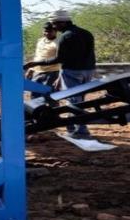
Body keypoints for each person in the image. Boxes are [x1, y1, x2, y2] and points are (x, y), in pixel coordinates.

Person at [34, 9, 97, 139]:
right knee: (80, 99)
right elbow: (90, 54)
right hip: (89, 70)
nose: (54, 27)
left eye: (54, 24)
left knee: (73, 101)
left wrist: (33, 64)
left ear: (61, 22)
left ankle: (81, 131)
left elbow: (59, 59)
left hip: (73, 71)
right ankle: (72, 128)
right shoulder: (86, 33)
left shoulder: (65, 36)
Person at [24, 22, 61, 89]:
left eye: (50, 31)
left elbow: (60, 59)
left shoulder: (58, 43)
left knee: (48, 95)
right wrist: (31, 69)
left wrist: (59, 77)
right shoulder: (40, 41)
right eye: (45, 31)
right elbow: (37, 56)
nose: (47, 33)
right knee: (34, 94)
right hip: (37, 72)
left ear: (56, 31)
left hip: (51, 73)